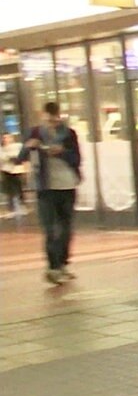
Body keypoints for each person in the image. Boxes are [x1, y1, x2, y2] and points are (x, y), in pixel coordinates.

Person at [17, 102, 81, 284]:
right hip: (45, 188)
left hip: (67, 186)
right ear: (43, 116)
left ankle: (62, 264)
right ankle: (52, 268)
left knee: (66, 229)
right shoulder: (35, 133)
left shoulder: (69, 134)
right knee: (50, 229)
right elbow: (20, 158)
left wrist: (61, 152)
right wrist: (29, 146)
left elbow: (77, 160)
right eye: (49, 119)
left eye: (55, 119)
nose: (52, 123)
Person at [2, 133, 27, 219]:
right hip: (6, 170)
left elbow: (21, 156)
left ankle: (22, 206)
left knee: (19, 188)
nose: (6, 139)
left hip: (17, 170)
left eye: (8, 137)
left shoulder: (18, 146)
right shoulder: (2, 149)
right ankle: (11, 209)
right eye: (4, 138)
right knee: (9, 191)